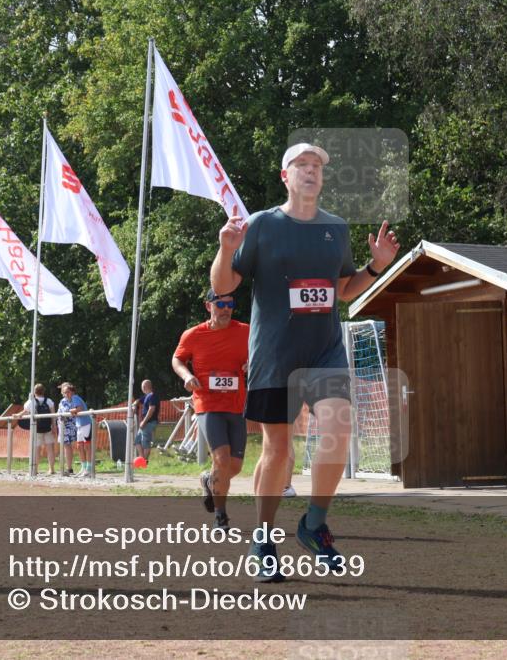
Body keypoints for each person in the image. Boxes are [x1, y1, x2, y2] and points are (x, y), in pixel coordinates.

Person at [210, 142, 400, 581]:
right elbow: (224, 286)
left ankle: (314, 524)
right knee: (278, 452)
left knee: (338, 426)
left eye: (317, 166)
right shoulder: (260, 225)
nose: (312, 172)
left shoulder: (335, 228)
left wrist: (375, 266)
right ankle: (262, 538)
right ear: (285, 176)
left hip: (324, 351)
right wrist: (225, 248)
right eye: (303, 165)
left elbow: (343, 290)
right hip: (275, 355)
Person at [172, 289, 250, 529]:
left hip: (236, 404)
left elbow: (260, 352)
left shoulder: (245, 331)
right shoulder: (193, 335)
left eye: (230, 304)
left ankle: (208, 480)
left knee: (234, 466)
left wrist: (252, 363)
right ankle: (221, 516)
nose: (226, 308)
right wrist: (187, 376)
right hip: (207, 403)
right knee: (222, 458)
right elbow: (177, 359)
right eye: (220, 304)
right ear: (209, 306)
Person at [14, 384, 57, 475]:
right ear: (44, 391)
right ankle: (51, 469)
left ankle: (35, 469)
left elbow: (24, 412)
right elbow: (53, 416)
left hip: (36, 429)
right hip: (48, 428)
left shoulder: (31, 402)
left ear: (34, 392)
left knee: (36, 450)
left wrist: (17, 415)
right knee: (50, 449)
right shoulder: (49, 401)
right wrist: (54, 426)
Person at [58, 382, 92, 476]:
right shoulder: (70, 399)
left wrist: (69, 411)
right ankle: (83, 467)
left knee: (87, 446)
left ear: (72, 392)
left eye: (68, 392)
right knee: (79, 446)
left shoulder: (75, 398)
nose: (66, 394)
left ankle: (89, 468)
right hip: (79, 424)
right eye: (64, 393)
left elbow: (79, 408)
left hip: (85, 424)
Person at [132, 379, 160, 460]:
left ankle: (144, 461)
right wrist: (134, 404)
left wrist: (144, 421)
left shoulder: (152, 396)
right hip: (146, 423)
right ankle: (142, 459)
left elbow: (152, 409)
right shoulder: (147, 396)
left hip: (148, 422)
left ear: (144, 387)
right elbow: (139, 400)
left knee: (145, 443)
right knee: (137, 441)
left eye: (142, 387)